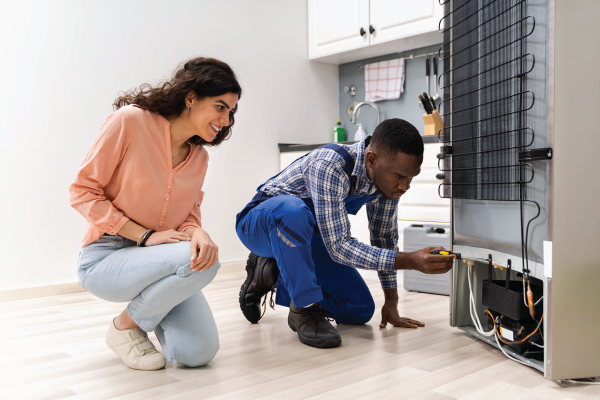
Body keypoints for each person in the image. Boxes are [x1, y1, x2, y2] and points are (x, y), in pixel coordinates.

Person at [69, 57, 241, 369]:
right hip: (105, 257)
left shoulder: (199, 157)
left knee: (197, 353)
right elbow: (82, 191)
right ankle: (126, 327)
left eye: (231, 111)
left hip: (161, 260)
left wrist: (197, 231)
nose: (226, 120)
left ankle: (144, 316)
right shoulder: (130, 121)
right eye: (220, 107)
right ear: (191, 98)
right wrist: (144, 236)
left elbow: (188, 216)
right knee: (204, 262)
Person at [236, 119, 455, 348]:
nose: (405, 186)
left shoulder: (386, 186)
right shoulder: (330, 164)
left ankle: (269, 273)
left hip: (310, 239)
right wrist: (410, 260)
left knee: (358, 308)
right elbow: (339, 246)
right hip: (260, 226)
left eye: (411, 177)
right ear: (371, 159)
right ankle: (304, 309)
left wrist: (391, 301)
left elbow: (384, 238)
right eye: (400, 176)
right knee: (293, 211)